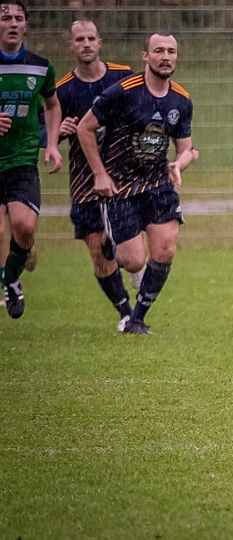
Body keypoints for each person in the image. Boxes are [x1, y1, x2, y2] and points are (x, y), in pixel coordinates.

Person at [77, 32, 197, 335]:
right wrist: (99, 174)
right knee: (133, 262)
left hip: (158, 185)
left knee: (166, 251)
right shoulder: (123, 91)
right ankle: (112, 246)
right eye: (158, 51)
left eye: (171, 51)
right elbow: (85, 128)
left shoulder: (181, 99)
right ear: (145, 56)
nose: (165, 57)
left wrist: (179, 163)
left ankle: (137, 319)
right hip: (121, 188)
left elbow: (186, 147)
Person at [56, 19, 142, 331]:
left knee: (129, 254)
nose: (86, 44)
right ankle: (125, 313)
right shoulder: (63, 88)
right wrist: (59, 131)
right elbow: (44, 127)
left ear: (100, 42)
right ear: (71, 45)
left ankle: (130, 256)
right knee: (97, 251)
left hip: (124, 174)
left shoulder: (123, 77)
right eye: (80, 39)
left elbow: (144, 108)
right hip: (84, 180)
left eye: (91, 38)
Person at [0, 0, 63, 319]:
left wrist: (51, 144)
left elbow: (52, 105)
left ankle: (10, 278)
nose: (12, 23)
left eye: (18, 18)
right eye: (5, 17)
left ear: (26, 25)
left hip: (21, 159)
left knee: (24, 227)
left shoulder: (40, 66)